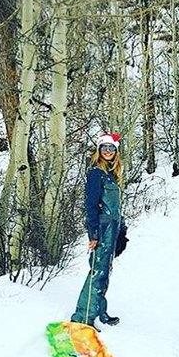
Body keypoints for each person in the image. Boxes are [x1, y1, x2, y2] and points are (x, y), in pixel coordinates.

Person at [71, 133, 124, 328]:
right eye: (105, 148)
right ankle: (83, 316)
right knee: (97, 270)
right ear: (99, 151)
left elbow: (116, 207)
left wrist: (122, 232)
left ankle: (100, 310)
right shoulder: (95, 174)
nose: (108, 151)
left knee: (105, 270)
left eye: (112, 149)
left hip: (112, 229)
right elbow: (91, 206)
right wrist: (93, 234)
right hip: (102, 228)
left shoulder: (111, 175)